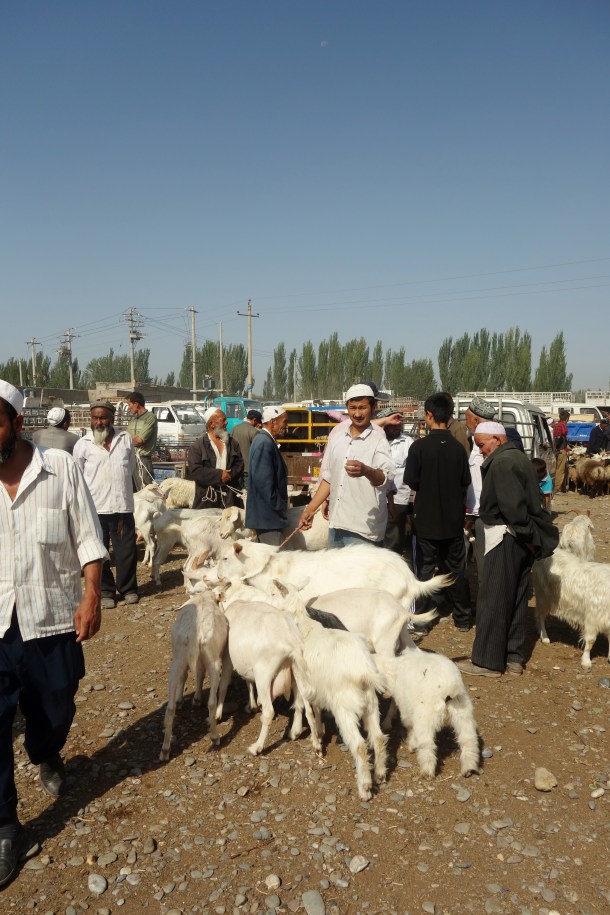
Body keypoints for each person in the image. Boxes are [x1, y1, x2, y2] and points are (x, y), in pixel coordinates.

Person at [0, 380, 106, 887]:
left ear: (18, 424)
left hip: (50, 617)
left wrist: (90, 596)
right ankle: (4, 826)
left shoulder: (59, 469)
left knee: (57, 705)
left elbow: (87, 535)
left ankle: (45, 750)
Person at [459, 422, 559, 678]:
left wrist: (526, 536)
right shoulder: (519, 457)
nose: (479, 450)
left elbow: (513, 509)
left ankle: (487, 662)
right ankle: (514, 659)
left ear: (497, 439)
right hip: (519, 538)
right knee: (516, 598)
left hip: (505, 537)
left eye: (481, 444)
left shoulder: (502, 463)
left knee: (492, 599)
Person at [404, 393, 473, 631]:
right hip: (453, 523)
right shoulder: (458, 449)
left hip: (426, 524)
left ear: (429, 415)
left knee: (423, 573)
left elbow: (411, 481)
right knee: (457, 571)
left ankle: (421, 621)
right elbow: (466, 482)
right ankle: (463, 619)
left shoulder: (418, 448)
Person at [299, 384, 393, 548]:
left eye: (362, 408)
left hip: (363, 530)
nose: (357, 414)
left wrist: (366, 471)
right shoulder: (338, 438)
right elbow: (329, 479)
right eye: (352, 408)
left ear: (373, 407)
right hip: (337, 526)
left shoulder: (379, 441)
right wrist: (310, 510)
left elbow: (385, 478)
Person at [73, 401, 139, 610]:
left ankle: (128, 589)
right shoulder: (83, 444)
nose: (99, 422)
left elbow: (133, 471)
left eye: (103, 418)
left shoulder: (125, 439)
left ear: (111, 418)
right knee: (98, 553)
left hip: (122, 506)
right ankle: (107, 591)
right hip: (94, 509)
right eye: (95, 418)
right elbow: (77, 478)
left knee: (126, 551)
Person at [464, 396, 497, 587]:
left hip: (487, 513)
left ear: (475, 420)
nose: (465, 421)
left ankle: (489, 607)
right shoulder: (472, 441)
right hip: (473, 512)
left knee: (487, 564)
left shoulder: (492, 444)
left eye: (467, 417)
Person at [245, 406, 289, 545]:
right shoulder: (264, 443)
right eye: (284, 422)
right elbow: (264, 484)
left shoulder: (265, 441)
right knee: (273, 561)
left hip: (267, 517)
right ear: (273, 422)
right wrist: (280, 507)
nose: (286, 426)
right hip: (268, 519)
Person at [186, 408, 244, 510]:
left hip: (230, 500)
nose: (226, 422)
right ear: (212, 424)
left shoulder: (232, 443)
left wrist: (229, 475)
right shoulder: (198, 446)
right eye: (223, 420)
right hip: (207, 500)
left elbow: (240, 464)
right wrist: (219, 475)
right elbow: (195, 471)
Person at [377, 407, 414, 558]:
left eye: (398, 424)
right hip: (377, 499)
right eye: (392, 424)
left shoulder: (408, 442)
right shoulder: (376, 441)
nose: (396, 427)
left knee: (394, 541)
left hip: (398, 499)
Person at [126, 392, 158, 490]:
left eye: (129, 405)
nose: (128, 408)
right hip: (131, 458)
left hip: (143, 461)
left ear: (136, 404)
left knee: (146, 491)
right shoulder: (133, 420)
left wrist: (128, 440)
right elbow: (126, 439)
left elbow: (140, 440)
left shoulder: (150, 417)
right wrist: (130, 439)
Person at [231, 409, 262, 489]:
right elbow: (258, 452)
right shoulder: (254, 432)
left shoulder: (235, 429)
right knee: (249, 494)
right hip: (248, 469)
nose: (258, 424)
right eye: (258, 422)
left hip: (235, 468)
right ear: (254, 420)